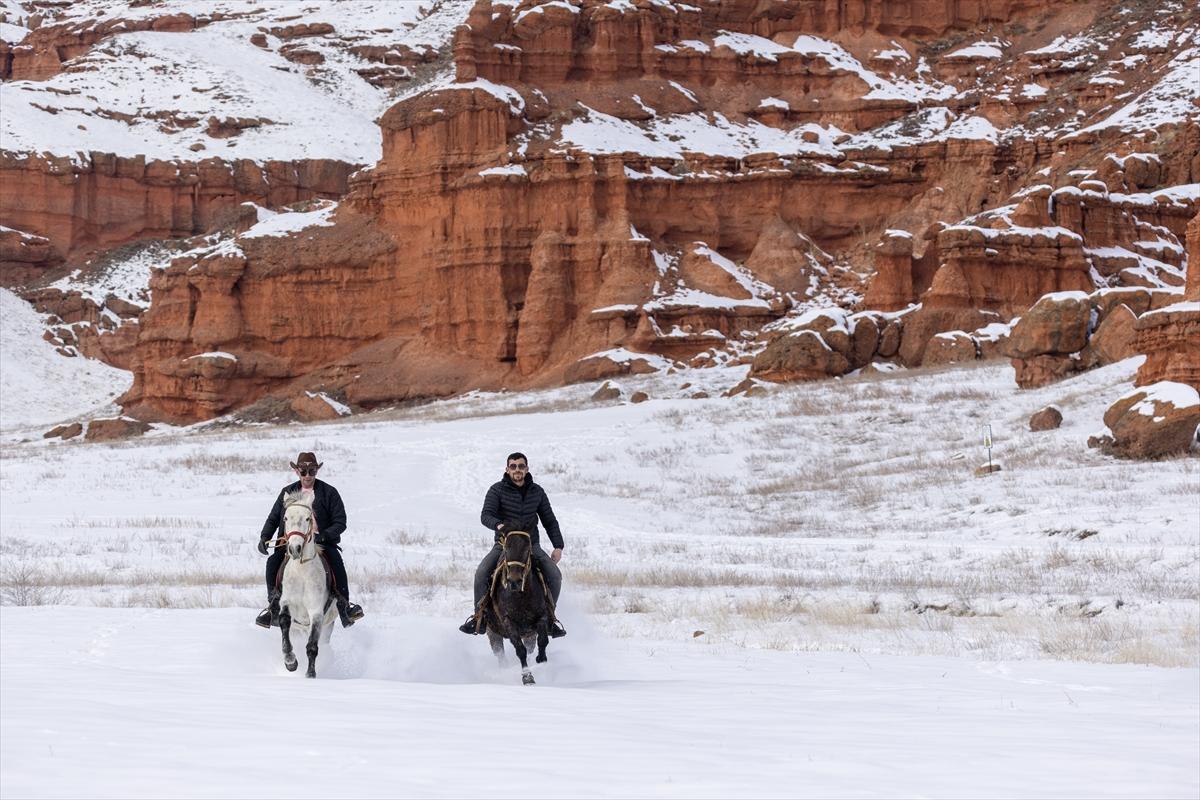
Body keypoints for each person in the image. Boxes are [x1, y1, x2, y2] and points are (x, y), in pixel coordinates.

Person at [460, 452, 566, 637]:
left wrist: (558, 546)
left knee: (555, 575)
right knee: (481, 573)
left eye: (521, 466)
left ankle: (550, 619)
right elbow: (486, 515)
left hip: (531, 545)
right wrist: (498, 525)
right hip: (504, 545)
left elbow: (549, 520)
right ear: (507, 469)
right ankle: (480, 618)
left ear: (527, 468)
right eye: (513, 466)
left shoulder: (537, 492)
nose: (517, 470)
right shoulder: (496, 490)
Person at [255, 452, 364, 629]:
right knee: (272, 563)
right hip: (291, 543)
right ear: (297, 471)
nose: (307, 475)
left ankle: (345, 607)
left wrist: (324, 535)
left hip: (321, 543)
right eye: (303, 471)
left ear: (316, 471)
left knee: (336, 562)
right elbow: (274, 518)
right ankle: (273, 606)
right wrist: (264, 537)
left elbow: (340, 521)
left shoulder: (329, 492)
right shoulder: (287, 492)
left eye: (311, 471)